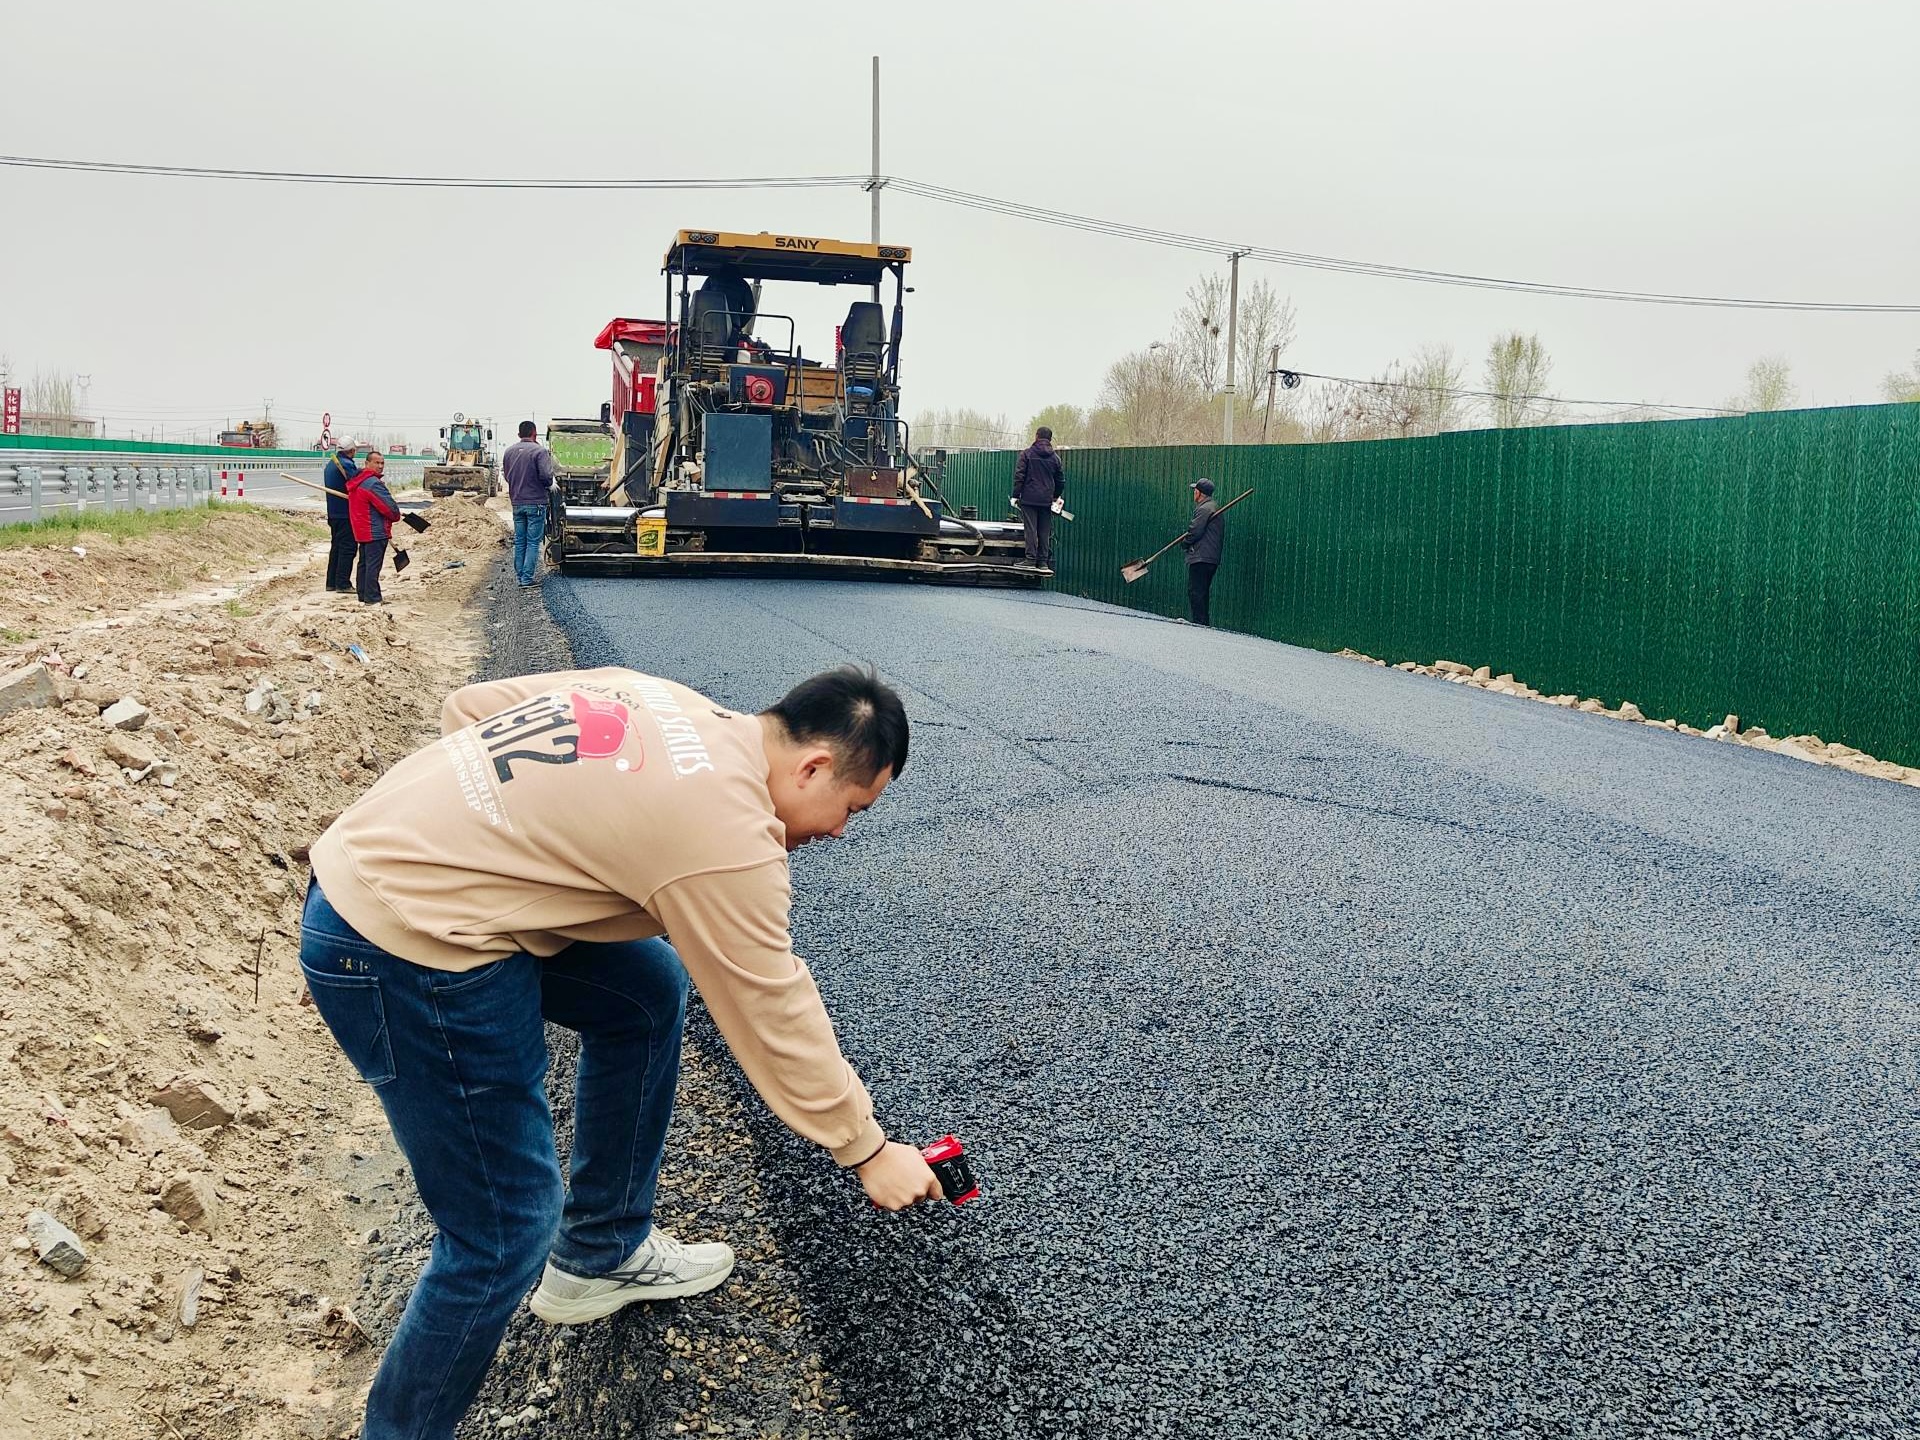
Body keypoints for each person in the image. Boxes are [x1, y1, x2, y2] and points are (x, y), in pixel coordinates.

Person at [302, 664, 940, 1440]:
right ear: (813, 767)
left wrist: (498, 842)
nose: (839, 832)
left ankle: (602, 1251)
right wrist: (868, 1150)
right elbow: (773, 1005)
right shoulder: (728, 835)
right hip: (400, 944)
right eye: (852, 808)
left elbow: (471, 706)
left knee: (645, 990)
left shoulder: (664, 700)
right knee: (502, 1231)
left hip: (369, 863)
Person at [502, 419, 556, 587]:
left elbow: (507, 476)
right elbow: (546, 476)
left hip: (517, 502)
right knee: (533, 542)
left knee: (520, 541)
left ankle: (520, 576)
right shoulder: (539, 452)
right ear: (534, 433)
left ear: (519, 434)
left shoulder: (509, 452)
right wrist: (549, 485)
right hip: (536, 503)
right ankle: (527, 579)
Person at [347, 449, 401, 606]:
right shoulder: (373, 484)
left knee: (364, 564)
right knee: (373, 566)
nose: (380, 466)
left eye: (382, 463)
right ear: (367, 463)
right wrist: (395, 514)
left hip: (361, 530)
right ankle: (372, 597)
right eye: (377, 463)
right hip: (374, 531)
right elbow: (390, 509)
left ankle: (363, 594)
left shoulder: (357, 482)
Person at [1010, 426, 1065, 570]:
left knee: (1031, 529)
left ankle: (1030, 559)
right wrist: (1055, 496)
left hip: (1029, 499)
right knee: (1044, 531)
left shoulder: (1027, 454)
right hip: (1046, 500)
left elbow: (1019, 476)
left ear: (1036, 436)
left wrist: (1015, 495)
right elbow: (1060, 480)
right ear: (1050, 439)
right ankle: (1042, 562)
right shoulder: (1055, 458)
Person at [1179, 477, 1225, 626]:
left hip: (1201, 556)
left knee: (1196, 591)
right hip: (1211, 557)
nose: (1194, 493)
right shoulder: (1213, 507)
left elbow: (1195, 531)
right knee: (1202, 591)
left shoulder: (1204, 509)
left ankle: (1199, 623)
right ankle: (1203, 623)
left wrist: (1185, 543)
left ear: (1199, 493)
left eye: (1195, 491)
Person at [322, 438, 361, 594]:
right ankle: (343, 583)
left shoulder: (332, 463)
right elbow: (357, 483)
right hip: (345, 513)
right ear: (351, 451)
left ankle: (331, 582)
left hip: (334, 513)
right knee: (348, 548)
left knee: (337, 547)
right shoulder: (346, 464)